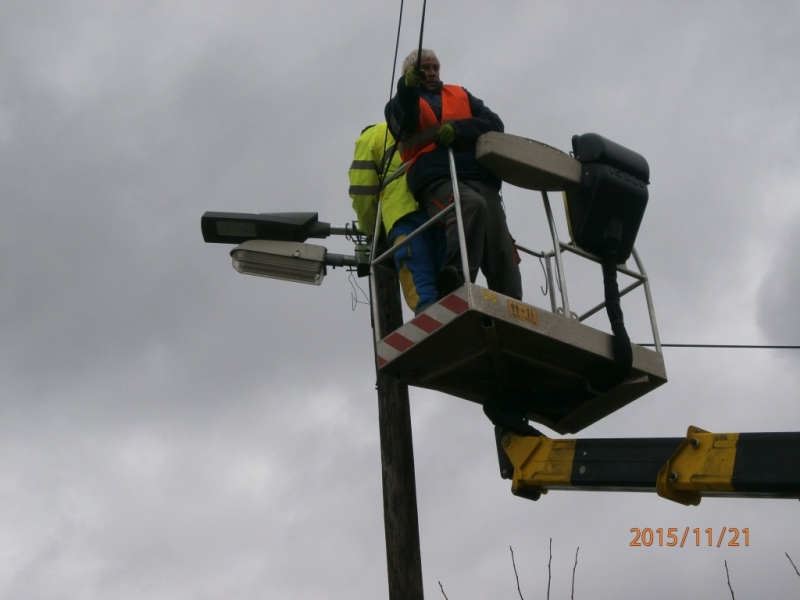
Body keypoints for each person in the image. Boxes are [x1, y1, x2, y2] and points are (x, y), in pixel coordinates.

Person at [385, 48, 522, 301]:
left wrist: (458, 129)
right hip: (435, 177)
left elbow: (494, 124)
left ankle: (511, 303)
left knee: (498, 236)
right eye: (425, 68)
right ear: (411, 73)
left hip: (478, 174)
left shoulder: (460, 94)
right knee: (469, 205)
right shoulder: (399, 105)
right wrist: (406, 89)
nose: (432, 72)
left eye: (435, 67)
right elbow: (404, 122)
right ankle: (456, 280)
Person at [349, 121, 445, 314]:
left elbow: (363, 190)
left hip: (403, 209)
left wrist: (371, 232)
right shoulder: (423, 123)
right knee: (448, 271)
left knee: (417, 272)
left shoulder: (370, 136)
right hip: (440, 202)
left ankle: (428, 317)